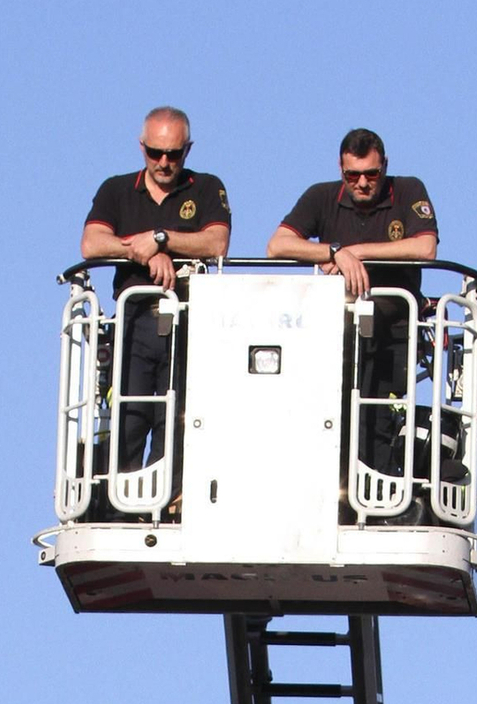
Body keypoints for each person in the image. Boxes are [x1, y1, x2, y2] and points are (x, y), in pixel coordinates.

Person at [267, 130, 439, 480]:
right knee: (326, 413)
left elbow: (425, 247)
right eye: (352, 175)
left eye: (371, 174)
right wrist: (333, 252)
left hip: (393, 333)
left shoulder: (407, 191)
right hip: (334, 334)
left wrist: (357, 253)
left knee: (377, 419)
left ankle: (379, 488)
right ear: (340, 170)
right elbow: (278, 245)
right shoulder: (322, 196)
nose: (362, 183)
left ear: (385, 167)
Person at [81, 109, 232, 472]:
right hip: (134, 322)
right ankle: (122, 504)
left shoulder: (208, 187)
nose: (164, 162)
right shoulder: (116, 190)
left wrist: (162, 239)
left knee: (178, 422)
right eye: (155, 153)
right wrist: (146, 254)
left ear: (188, 150)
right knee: (130, 418)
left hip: (190, 325)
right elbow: (92, 243)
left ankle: (169, 502)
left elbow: (217, 242)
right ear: (142, 147)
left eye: (174, 154)